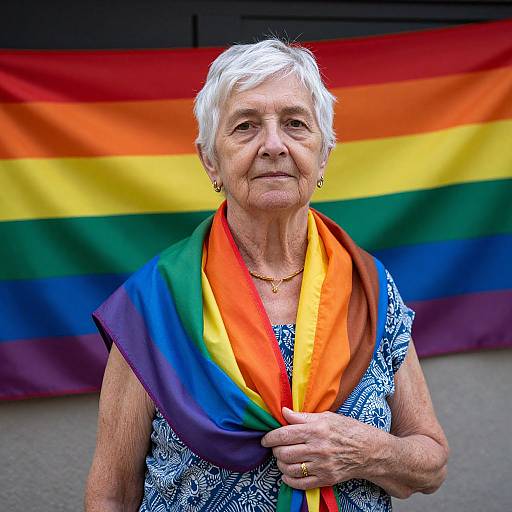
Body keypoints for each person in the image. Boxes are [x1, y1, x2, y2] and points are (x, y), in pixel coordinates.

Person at [85, 39, 449, 512]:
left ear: (323, 155)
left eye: (295, 124)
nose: (273, 145)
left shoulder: (370, 288)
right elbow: (112, 492)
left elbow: (431, 462)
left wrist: (366, 451)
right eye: (245, 126)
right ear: (210, 160)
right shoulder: (156, 303)